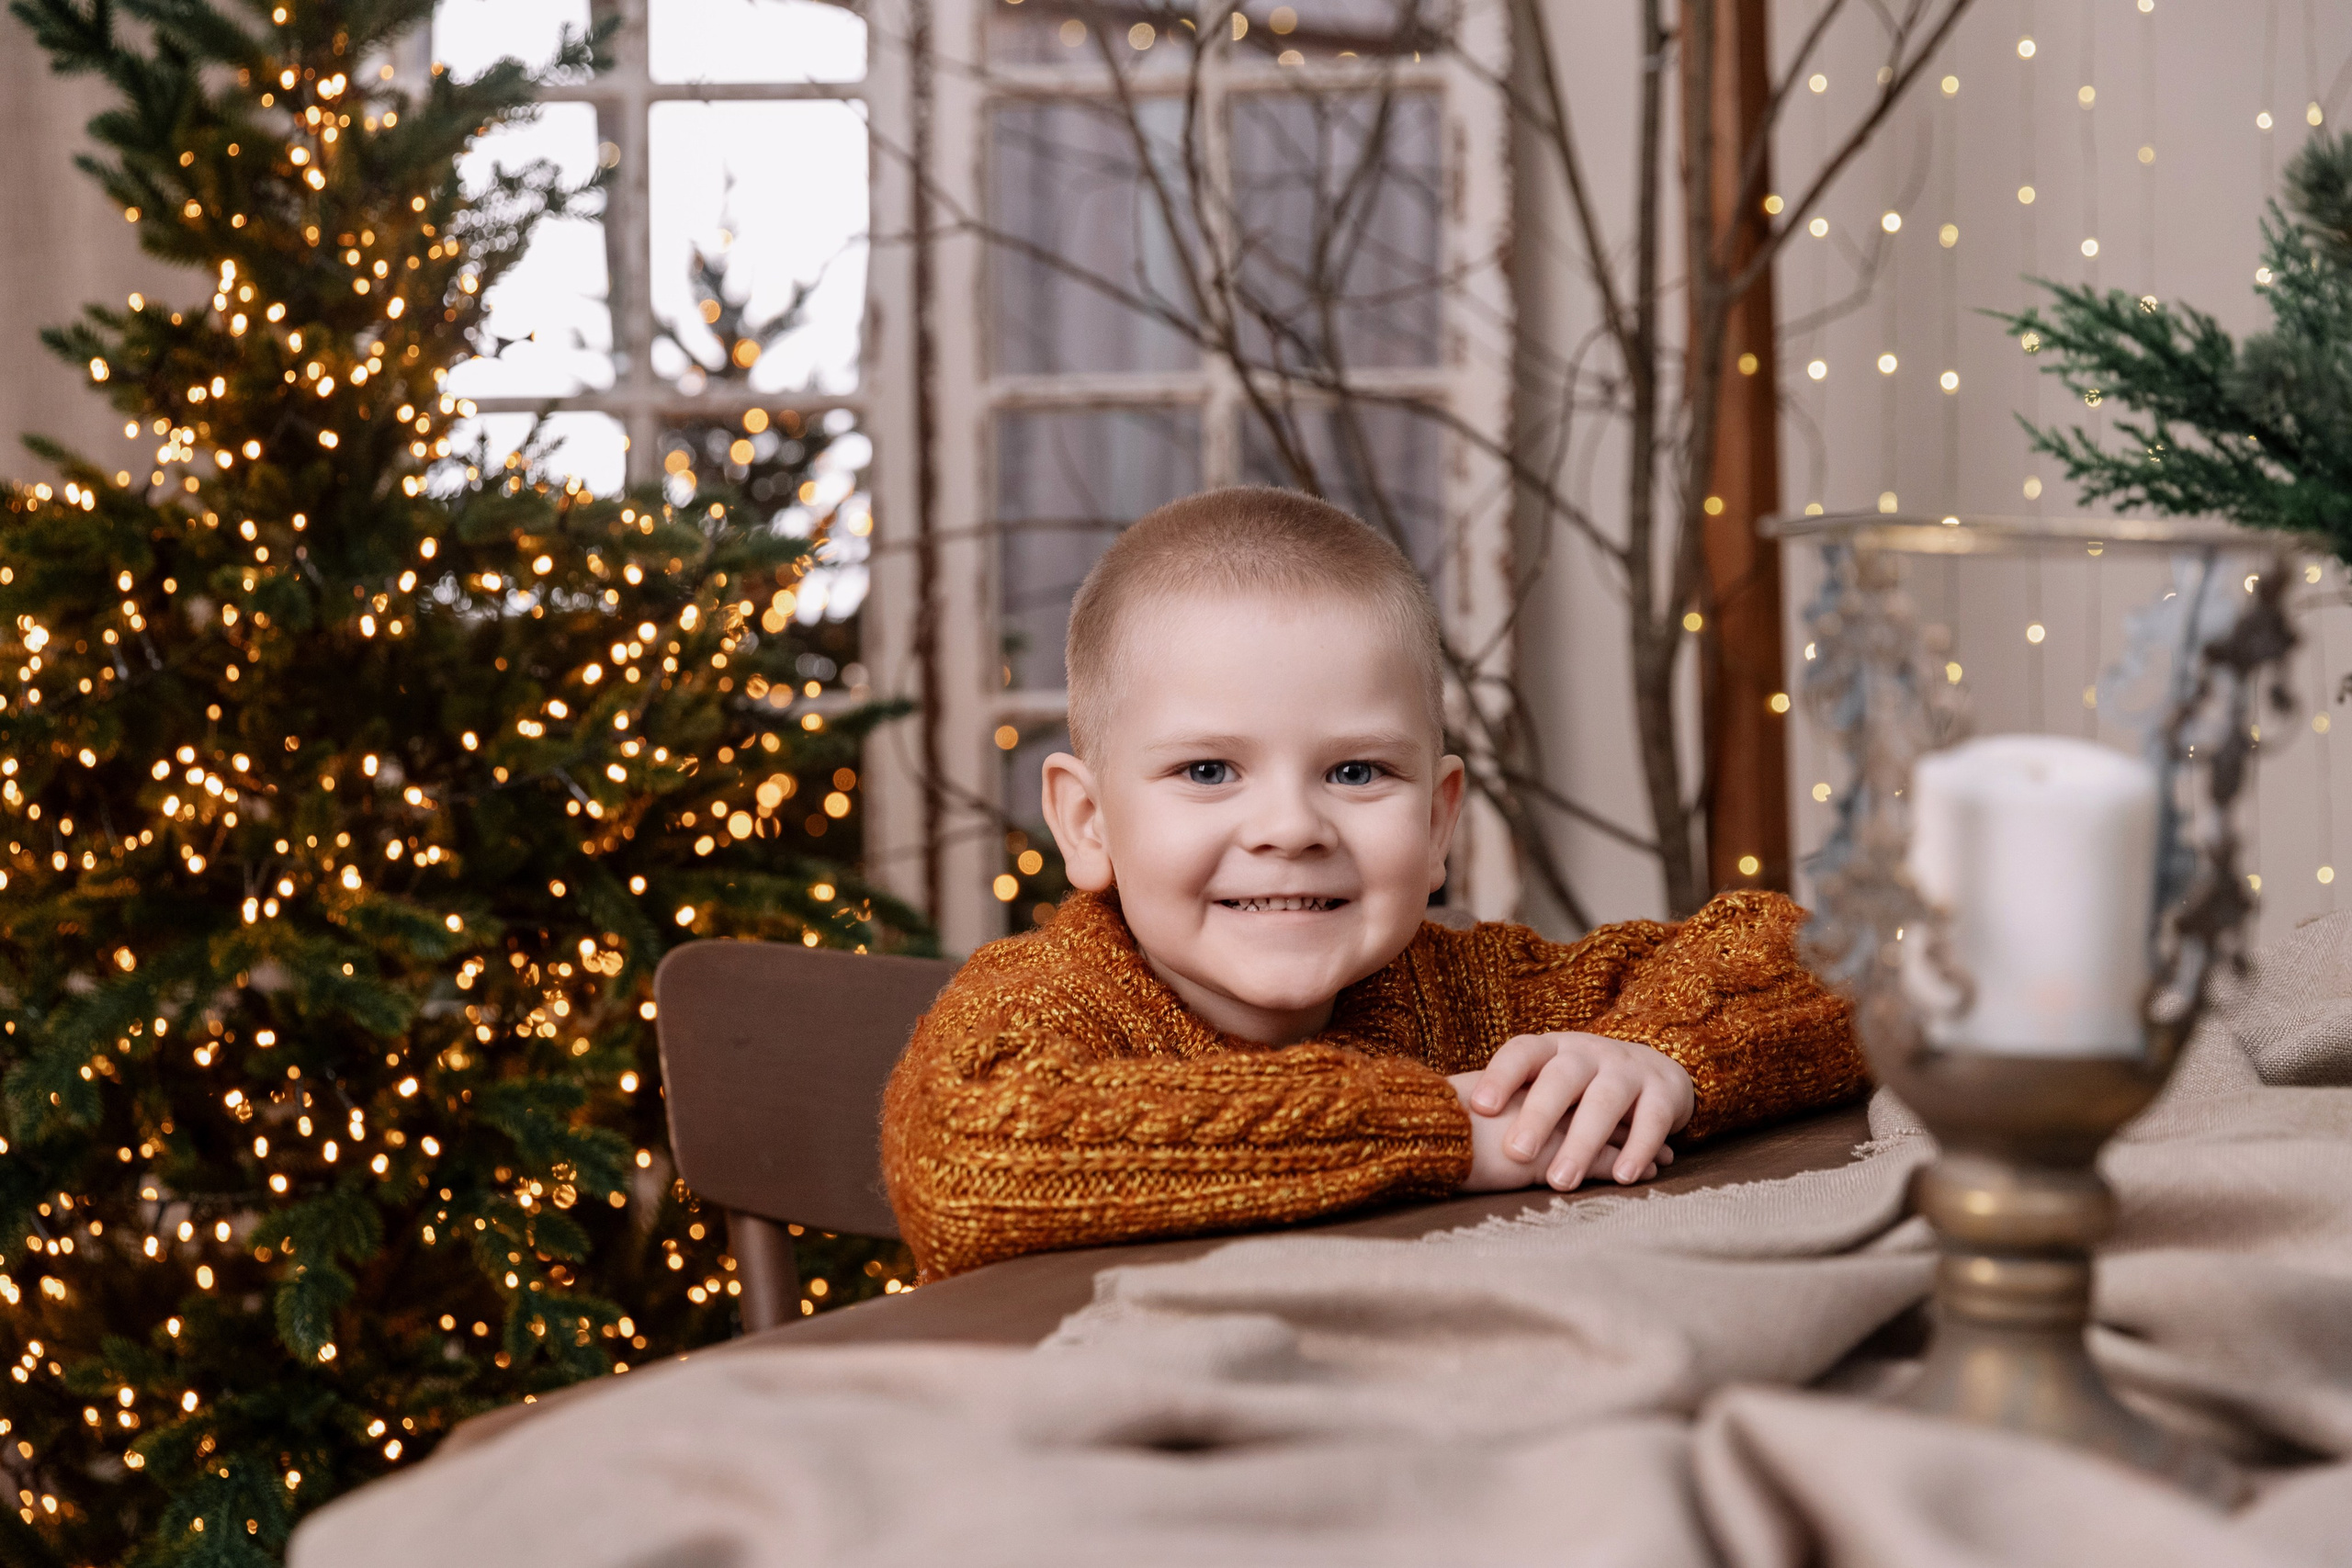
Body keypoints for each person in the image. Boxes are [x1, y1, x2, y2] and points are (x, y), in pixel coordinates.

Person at [880, 488, 1866, 1279]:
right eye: (1208, 771)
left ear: (1437, 824)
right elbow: (966, 1157)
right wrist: (1448, 1131)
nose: (1289, 829)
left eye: (1355, 772)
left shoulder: (1473, 997)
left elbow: (1831, 966)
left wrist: (1660, 1061)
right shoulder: (1047, 1007)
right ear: (1089, 825)